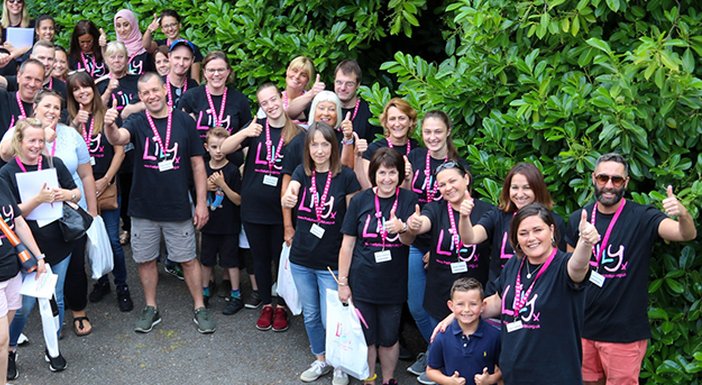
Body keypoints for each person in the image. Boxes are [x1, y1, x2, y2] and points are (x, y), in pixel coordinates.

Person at [564, 153, 697, 385]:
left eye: (616, 180)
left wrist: (683, 214)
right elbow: (567, 275)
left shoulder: (642, 217)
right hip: (583, 329)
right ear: (593, 178)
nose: (609, 185)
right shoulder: (580, 219)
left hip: (624, 334)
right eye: (603, 178)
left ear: (625, 182)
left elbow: (685, 234)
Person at [103, 72, 215, 334]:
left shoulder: (184, 121)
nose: (152, 96)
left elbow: (198, 164)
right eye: (145, 93)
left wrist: (201, 203)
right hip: (143, 207)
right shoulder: (137, 121)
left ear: (165, 90)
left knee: (187, 259)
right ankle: (151, 307)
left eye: (155, 90)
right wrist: (109, 125)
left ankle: (199, 306)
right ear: (140, 97)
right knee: (145, 260)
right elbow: (118, 138)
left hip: (177, 205)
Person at [281, 122, 361, 385]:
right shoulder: (301, 173)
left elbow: (353, 222)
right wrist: (288, 199)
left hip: (331, 262)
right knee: (312, 315)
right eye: (313, 144)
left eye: (324, 144)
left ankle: (339, 364)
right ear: (307, 148)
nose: (319, 150)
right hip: (302, 259)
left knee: (332, 319)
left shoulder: (346, 177)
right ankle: (320, 359)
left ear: (333, 146)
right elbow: (290, 192)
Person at [1, 116, 80, 379]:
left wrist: (65, 195)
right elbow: (11, 214)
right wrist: (38, 199)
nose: (37, 146)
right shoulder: (8, 172)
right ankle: (10, 350)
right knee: (23, 306)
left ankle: (52, 347)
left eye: (40, 140)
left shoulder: (53, 163)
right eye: (31, 140)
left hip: (59, 240)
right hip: (25, 247)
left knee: (55, 296)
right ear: (19, 142)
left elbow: (75, 192)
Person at [220, 83, 302, 332]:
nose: (271, 105)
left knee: (281, 260)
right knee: (260, 259)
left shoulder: (297, 134)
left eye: (273, 99)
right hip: (253, 208)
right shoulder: (256, 129)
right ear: (260, 106)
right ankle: (267, 303)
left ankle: (282, 305)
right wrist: (245, 134)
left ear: (282, 99)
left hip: (282, 211)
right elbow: (224, 149)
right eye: (264, 102)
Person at [337, 148, 417, 385]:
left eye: (392, 173)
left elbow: (409, 241)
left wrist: (403, 228)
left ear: (400, 175)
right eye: (382, 173)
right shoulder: (360, 200)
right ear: (374, 174)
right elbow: (348, 244)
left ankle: (389, 379)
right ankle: (369, 378)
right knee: (368, 336)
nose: (387, 179)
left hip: (393, 283)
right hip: (363, 281)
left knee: (390, 337)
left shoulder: (408, 199)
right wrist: (343, 282)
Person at [404, 111, 470, 380]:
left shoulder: (458, 165)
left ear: (448, 132)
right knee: (417, 305)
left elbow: (460, 208)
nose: (432, 137)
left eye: (437, 132)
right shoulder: (417, 157)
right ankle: (436, 348)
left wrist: (438, 245)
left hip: (446, 245)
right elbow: (407, 195)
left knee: (445, 306)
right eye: (427, 132)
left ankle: (437, 356)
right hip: (416, 240)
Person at [66, 71, 133, 312]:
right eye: (76, 89)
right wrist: (74, 124)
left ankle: (122, 285)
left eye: (85, 87)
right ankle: (101, 280)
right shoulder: (68, 119)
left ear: (93, 89)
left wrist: (105, 180)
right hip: (78, 192)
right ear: (71, 95)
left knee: (113, 240)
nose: (81, 92)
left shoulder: (106, 115)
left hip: (106, 187)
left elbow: (120, 151)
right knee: (88, 240)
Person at [460, 162, 567, 296]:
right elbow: (470, 238)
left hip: (537, 298)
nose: (520, 194)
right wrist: (464, 217)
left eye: (527, 188)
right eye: (515, 188)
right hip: (497, 295)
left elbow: (560, 265)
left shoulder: (554, 222)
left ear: (537, 189)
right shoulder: (498, 215)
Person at [405, 161, 493, 324]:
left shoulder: (486, 210)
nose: (448, 188)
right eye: (442, 185)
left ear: (466, 179)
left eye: (453, 181)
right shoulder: (435, 209)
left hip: (474, 297)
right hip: (440, 294)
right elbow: (424, 222)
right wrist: (414, 224)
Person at [200, 127, 244, 315]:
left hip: (229, 225)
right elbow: (195, 194)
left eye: (222, 147)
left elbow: (238, 199)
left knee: (231, 262)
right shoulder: (202, 168)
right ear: (206, 147)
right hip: (208, 225)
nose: (218, 151)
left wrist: (222, 185)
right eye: (214, 146)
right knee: (206, 260)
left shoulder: (232, 170)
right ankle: (204, 291)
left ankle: (236, 294)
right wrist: (205, 187)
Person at [425, 278, 501, 385]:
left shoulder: (495, 335)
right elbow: (431, 370)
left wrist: (492, 379)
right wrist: (448, 381)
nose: (466, 309)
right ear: (451, 306)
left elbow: (504, 367)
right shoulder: (442, 337)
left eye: (473, 304)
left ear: (483, 306)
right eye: (460, 304)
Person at [179, 50, 250, 141]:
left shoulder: (239, 99)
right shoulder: (190, 97)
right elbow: (180, 132)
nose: (216, 74)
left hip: (231, 153)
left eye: (220, 70)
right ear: (204, 72)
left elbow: (245, 138)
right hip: (199, 154)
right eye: (211, 70)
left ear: (228, 71)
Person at [355, 98, 419, 189]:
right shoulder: (373, 149)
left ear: (410, 122)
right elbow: (366, 187)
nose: (397, 124)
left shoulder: (417, 149)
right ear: (386, 123)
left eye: (402, 118)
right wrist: (357, 156)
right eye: (392, 119)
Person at [142, 10, 202, 81]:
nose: (170, 29)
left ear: (179, 25)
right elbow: (146, 46)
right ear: (162, 29)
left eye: (173, 24)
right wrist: (149, 30)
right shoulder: (158, 45)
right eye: (166, 26)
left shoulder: (192, 48)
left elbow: (195, 79)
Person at [0, 41, 67, 100]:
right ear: (31, 58)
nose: (45, 63)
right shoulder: (20, 80)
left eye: (50, 59)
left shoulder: (63, 89)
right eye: (41, 58)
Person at [0, 58, 43, 135]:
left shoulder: (45, 108)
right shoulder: (3, 99)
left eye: (37, 80)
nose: (32, 84)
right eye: (28, 78)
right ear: (18, 77)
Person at [113, 9, 152, 76]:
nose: (122, 30)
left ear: (133, 25)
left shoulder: (144, 46)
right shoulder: (114, 49)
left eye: (126, 25)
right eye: (118, 26)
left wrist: (149, 30)